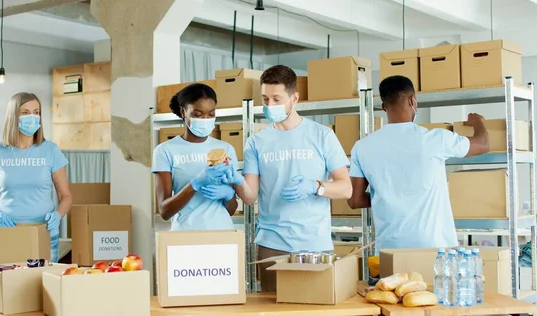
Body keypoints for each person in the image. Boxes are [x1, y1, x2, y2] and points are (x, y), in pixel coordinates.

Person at [225, 65, 353, 292]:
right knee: (273, 310)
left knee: (315, 310)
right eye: (265, 99)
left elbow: (346, 188)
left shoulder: (322, 135)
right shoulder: (257, 141)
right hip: (271, 244)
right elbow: (250, 196)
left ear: (294, 98)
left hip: (315, 245)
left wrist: (316, 187)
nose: (270, 105)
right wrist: (233, 179)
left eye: (276, 99)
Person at [347, 75, 490, 252]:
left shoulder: (362, 147)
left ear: (383, 107)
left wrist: (387, 195)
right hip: (433, 247)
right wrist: (478, 122)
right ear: (412, 100)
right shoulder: (435, 139)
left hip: (389, 250)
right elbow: (483, 144)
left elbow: (354, 200)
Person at [0, 92, 73, 263]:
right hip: (4, 234)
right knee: (4, 285)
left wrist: (58, 214)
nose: (33, 117)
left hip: (42, 233)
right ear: (13, 116)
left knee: (42, 286)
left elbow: (65, 196)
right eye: (25, 112)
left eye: (36, 112)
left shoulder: (51, 151)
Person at [152, 83, 239, 230]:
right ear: (183, 112)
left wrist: (229, 195)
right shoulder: (165, 151)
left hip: (222, 233)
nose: (205, 119)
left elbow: (230, 210)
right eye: (198, 114)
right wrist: (194, 185)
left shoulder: (226, 149)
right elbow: (165, 211)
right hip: (185, 235)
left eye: (211, 114)